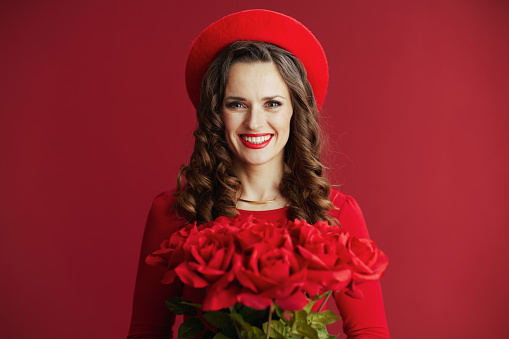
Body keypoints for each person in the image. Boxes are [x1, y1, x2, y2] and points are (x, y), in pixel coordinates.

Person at [127, 9, 389, 339]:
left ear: (296, 108)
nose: (254, 122)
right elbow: (147, 331)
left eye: (272, 104)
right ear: (216, 112)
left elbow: (369, 332)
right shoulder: (175, 213)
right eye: (237, 104)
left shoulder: (335, 213)